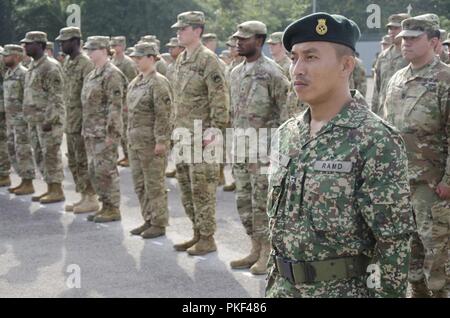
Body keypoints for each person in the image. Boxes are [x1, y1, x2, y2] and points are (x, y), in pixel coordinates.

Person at [265, 12, 415, 298]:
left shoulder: (375, 139)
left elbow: (393, 242)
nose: (297, 68)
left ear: (346, 65)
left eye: (311, 57)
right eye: (294, 57)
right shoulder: (287, 134)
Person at [383, 14, 450, 298]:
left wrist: (448, 179)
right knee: (407, 249)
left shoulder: (445, 78)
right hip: (399, 181)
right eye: (403, 39)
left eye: (413, 38)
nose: (405, 43)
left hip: (431, 184)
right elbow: (386, 127)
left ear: (433, 42)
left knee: (436, 253)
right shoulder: (398, 77)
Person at [229, 21, 290, 275]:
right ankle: (254, 247)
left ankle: (267, 252)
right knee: (243, 201)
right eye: (238, 38)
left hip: (263, 151)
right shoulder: (234, 72)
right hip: (241, 148)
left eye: (245, 38)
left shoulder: (273, 73)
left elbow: (286, 114)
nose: (239, 42)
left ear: (260, 40)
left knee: (262, 203)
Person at [171, 11, 229, 255]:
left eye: (183, 29)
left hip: (202, 137)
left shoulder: (208, 60)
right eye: (178, 29)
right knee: (186, 188)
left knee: (202, 190)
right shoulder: (181, 59)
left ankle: (207, 237)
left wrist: (215, 130)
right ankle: (197, 232)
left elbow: (219, 97)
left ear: (197, 31)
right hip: (183, 136)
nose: (178, 32)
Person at [127, 42, 173, 239]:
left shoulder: (159, 83)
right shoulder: (135, 82)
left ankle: (159, 222)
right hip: (135, 142)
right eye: (135, 58)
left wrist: (161, 141)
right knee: (140, 184)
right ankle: (148, 218)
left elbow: (164, 114)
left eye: (140, 57)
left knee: (154, 184)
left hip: (151, 143)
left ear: (151, 58)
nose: (136, 61)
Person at [81, 36, 126, 223]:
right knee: (94, 170)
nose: (89, 53)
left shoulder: (112, 74)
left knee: (106, 170)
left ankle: (113, 207)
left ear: (104, 50)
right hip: (91, 131)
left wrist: (112, 133)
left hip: (104, 133)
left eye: (92, 50)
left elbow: (116, 107)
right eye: (88, 50)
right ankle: (104, 205)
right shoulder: (93, 74)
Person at [56, 26, 99, 214]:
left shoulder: (85, 64)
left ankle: (91, 197)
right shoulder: (68, 63)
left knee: (84, 161)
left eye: (64, 41)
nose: (61, 45)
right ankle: (83, 195)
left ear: (75, 42)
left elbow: (90, 97)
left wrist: (87, 124)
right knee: (73, 161)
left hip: (82, 122)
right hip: (70, 120)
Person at [22, 31, 65, 204]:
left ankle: (57, 190)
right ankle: (49, 187)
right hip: (35, 120)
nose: (25, 47)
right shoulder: (33, 65)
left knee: (51, 155)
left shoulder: (50, 66)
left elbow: (56, 97)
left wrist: (49, 120)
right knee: (40, 155)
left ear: (40, 45)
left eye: (28, 44)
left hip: (48, 122)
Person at [1, 44, 35, 195]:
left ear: (16, 57)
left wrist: (26, 118)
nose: (3, 58)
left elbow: (29, 99)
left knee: (23, 151)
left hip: (21, 121)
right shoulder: (8, 73)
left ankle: (28, 182)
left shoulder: (24, 74)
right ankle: (22, 180)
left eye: (6, 55)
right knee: (12, 150)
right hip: (10, 120)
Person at [371, 13, 410, 115]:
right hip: (383, 113)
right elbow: (377, 88)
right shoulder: (383, 56)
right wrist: (373, 112)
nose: (391, 32)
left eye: (396, 28)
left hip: (403, 113)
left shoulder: (411, 56)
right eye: (390, 28)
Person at [111, 36, 138, 168]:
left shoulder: (128, 63)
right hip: (116, 101)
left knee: (127, 131)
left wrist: (128, 102)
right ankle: (125, 155)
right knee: (120, 131)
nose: (114, 47)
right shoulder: (113, 60)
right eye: (113, 45)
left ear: (122, 46)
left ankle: (130, 156)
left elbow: (133, 83)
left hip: (125, 101)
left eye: (116, 45)